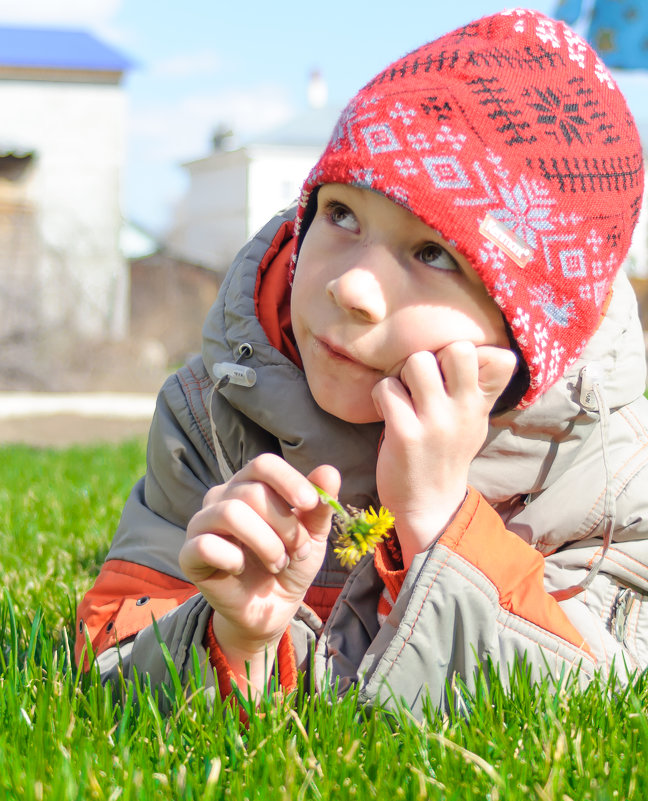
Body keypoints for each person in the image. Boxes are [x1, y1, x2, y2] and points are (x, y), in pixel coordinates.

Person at [76, 8, 648, 718]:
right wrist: (238, 637)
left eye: (434, 254)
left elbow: (596, 699)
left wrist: (441, 526)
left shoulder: (598, 474)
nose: (351, 286)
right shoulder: (218, 413)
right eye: (342, 213)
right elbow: (113, 636)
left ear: (536, 331)